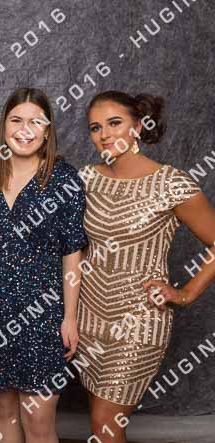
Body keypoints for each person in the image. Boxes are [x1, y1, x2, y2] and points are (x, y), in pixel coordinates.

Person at [76, 90, 215, 443]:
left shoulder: (171, 183)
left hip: (139, 321)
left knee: (105, 423)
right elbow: (73, 247)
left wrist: (184, 294)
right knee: (100, 423)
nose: (104, 134)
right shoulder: (86, 179)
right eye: (95, 127)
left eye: (114, 123)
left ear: (138, 126)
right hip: (87, 318)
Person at [0, 88, 87, 443]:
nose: (25, 130)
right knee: (4, 414)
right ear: (4, 126)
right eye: (16, 120)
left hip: (43, 314)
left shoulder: (64, 180)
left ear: (47, 131)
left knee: (38, 422)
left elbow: (72, 252)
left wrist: (70, 317)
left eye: (35, 122)